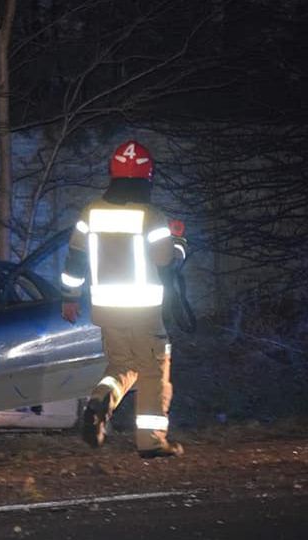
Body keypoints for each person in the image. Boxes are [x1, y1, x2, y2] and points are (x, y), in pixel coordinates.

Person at [59, 140, 186, 458]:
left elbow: (74, 259)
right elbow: (166, 260)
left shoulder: (91, 212)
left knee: (122, 366)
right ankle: (152, 442)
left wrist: (69, 297)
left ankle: (99, 401)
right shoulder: (151, 215)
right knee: (154, 372)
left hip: (107, 310)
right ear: (147, 177)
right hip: (143, 311)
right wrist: (180, 241)